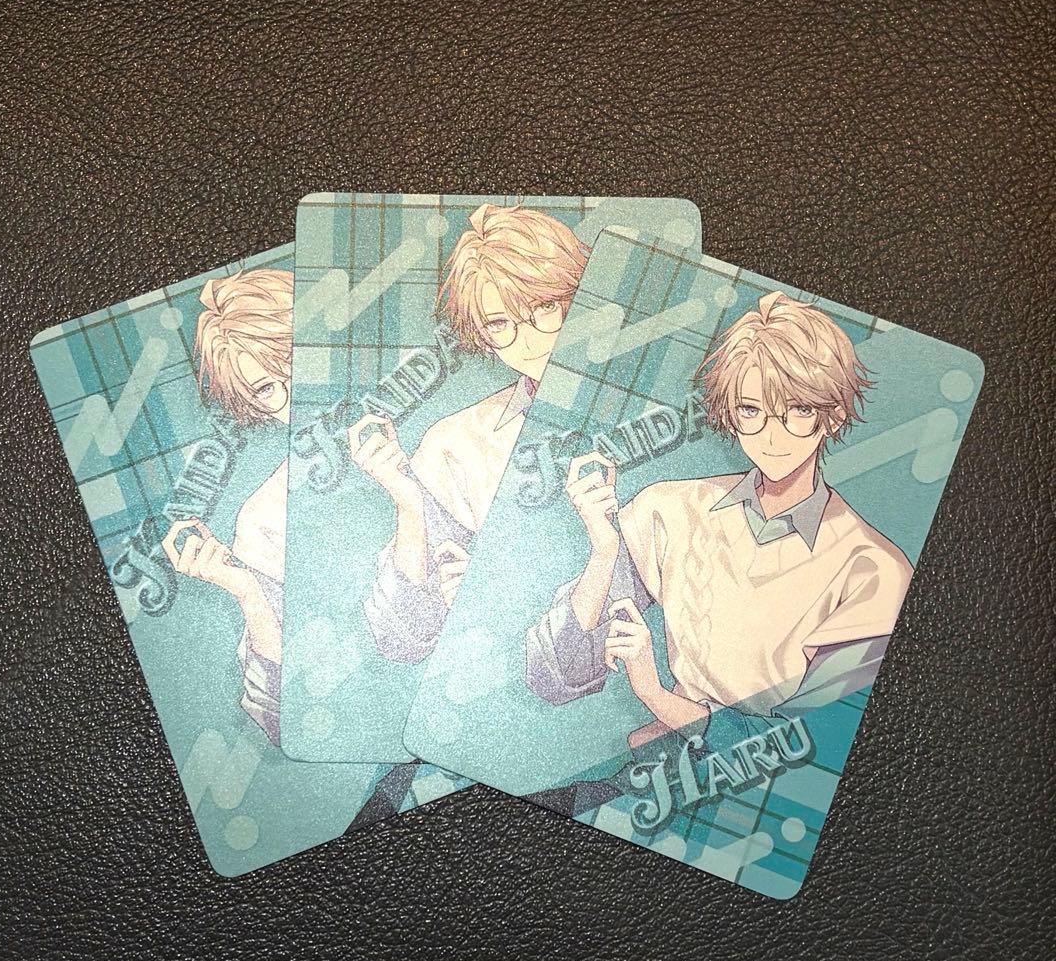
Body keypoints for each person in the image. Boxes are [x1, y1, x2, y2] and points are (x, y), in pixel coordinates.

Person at [526, 291, 914, 748]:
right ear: (730, 414)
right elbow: (557, 674)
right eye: (751, 410)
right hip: (654, 764)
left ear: (834, 416)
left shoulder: (875, 572)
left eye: (798, 410)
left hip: (740, 783)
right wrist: (604, 549)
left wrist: (653, 693)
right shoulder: (669, 510)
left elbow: (806, 752)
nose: (772, 435)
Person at [350, 203, 591, 662]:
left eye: (543, 307)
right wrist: (408, 502)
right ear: (479, 333)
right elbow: (402, 637)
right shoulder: (454, 443)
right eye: (500, 323)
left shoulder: (649, 410)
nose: (529, 339)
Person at [160, 267, 292, 746]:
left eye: (297, 362)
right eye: (267, 388)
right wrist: (246, 590)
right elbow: (281, 718)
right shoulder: (265, 519)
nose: (296, 398)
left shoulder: (457, 437)